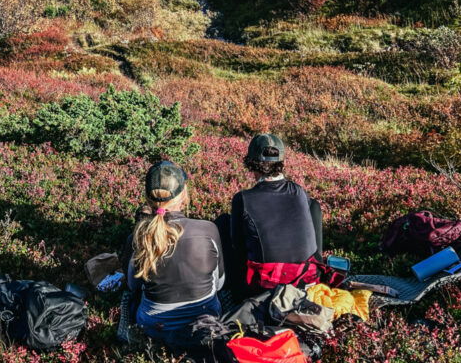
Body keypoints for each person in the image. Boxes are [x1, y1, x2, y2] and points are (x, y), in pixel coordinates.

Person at [127, 160, 225, 345]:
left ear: (148, 198)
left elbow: (133, 286)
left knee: (129, 298)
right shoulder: (208, 230)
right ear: (183, 196)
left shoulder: (139, 237)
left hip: (154, 327)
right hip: (205, 320)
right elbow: (219, 283)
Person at [229, 134, 323, 296]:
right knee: (314, 206)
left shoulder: (242, 199)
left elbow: (237, 247)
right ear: (281, 162)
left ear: (251, 164)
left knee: (225, 223)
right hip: (306, 280)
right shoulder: (299, 192)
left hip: (265, 287)